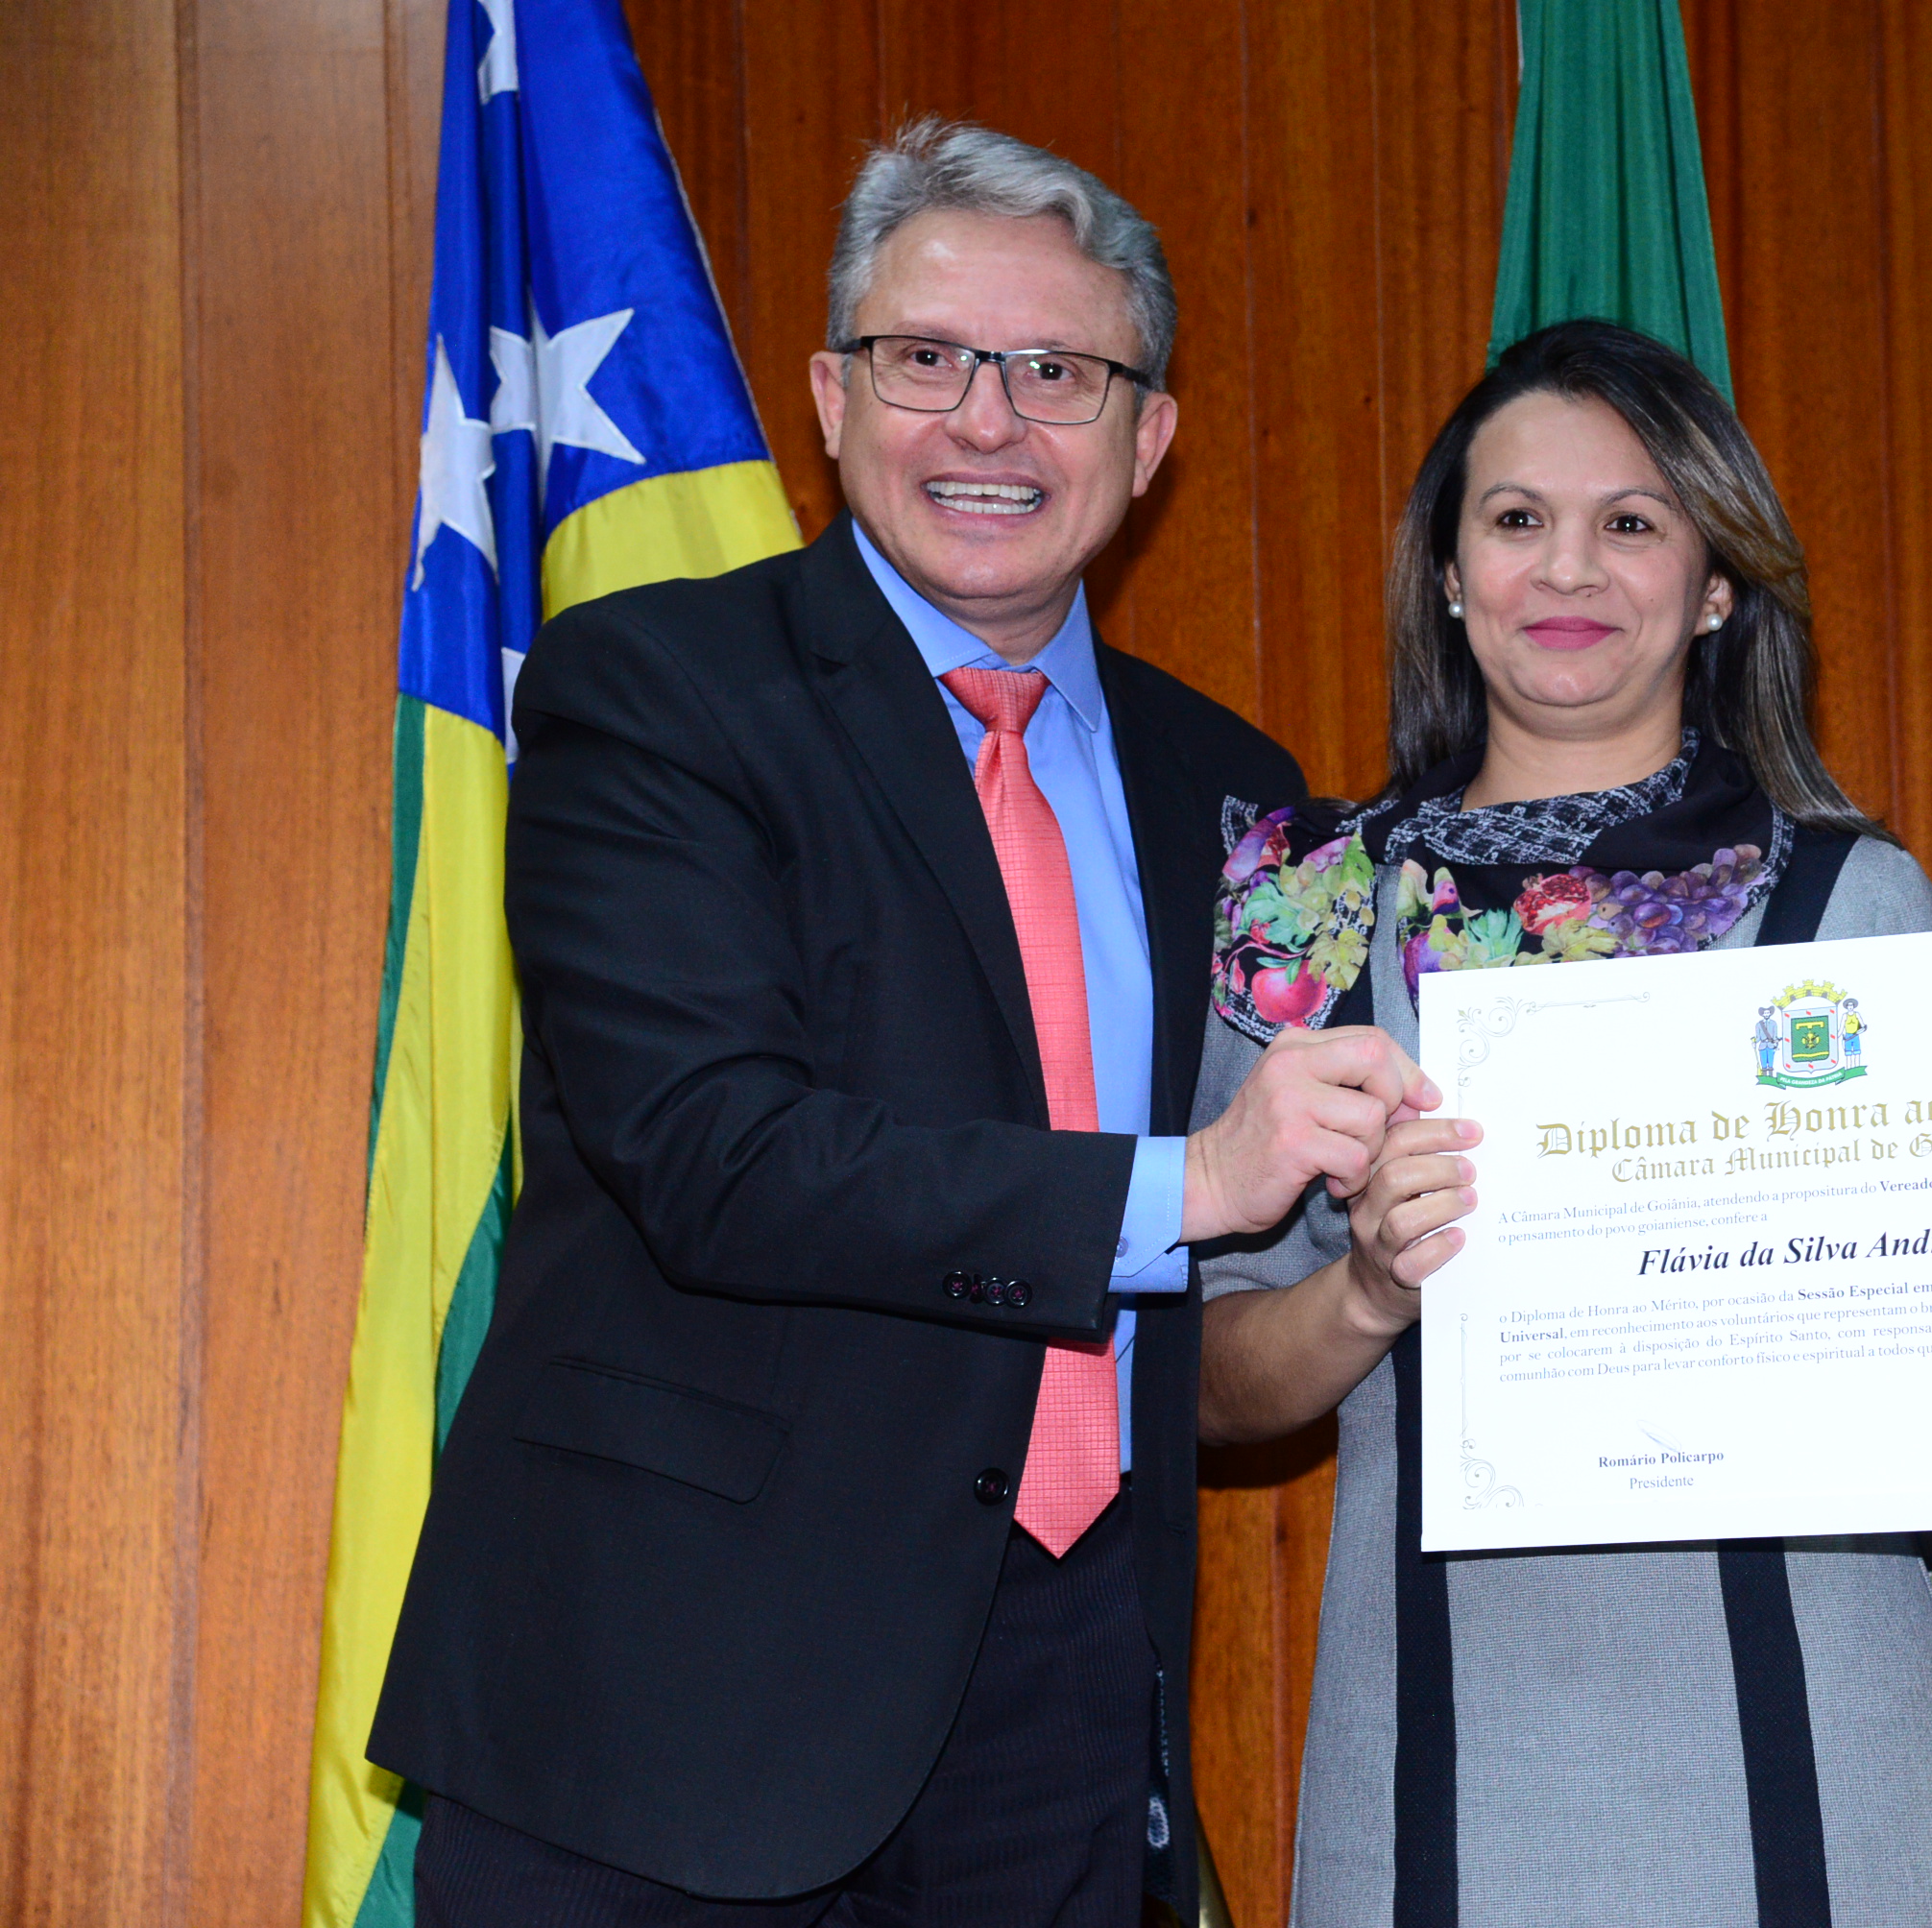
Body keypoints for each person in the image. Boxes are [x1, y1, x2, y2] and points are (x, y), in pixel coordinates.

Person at [369, 120, 1432, 1926]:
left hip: (1068, 1708)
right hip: (676, 1710)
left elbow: (1244, 1293)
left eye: (1059, 372)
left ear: (1150, 438)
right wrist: (1191, 1182)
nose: (988, 422)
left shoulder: (1233, 788)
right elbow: (715, 1154)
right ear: (832, 400)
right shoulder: (653, 689)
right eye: (927, 358)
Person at [1195, 320, 1932, 1928]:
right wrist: (1368, 1292)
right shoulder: (1306, 904)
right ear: (1448, 572)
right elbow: (1210, 1382)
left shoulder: (1853, 903)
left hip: (1809, 1749)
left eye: (1631, 521)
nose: (1569, 566)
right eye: (1517, 519)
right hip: (1433, 1750)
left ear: (1714, 587)